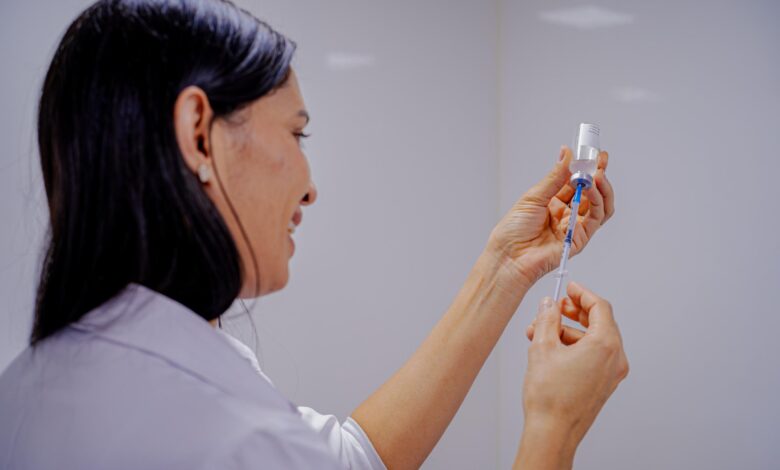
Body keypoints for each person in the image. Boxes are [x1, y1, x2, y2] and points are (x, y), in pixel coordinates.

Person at [0, 1, 628, 469]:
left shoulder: (29, 390)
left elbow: (342, 460)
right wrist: (554, 427)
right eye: (296, 133)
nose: (310, 188)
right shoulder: (221, 437)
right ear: (198, 134)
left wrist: (506, 264)